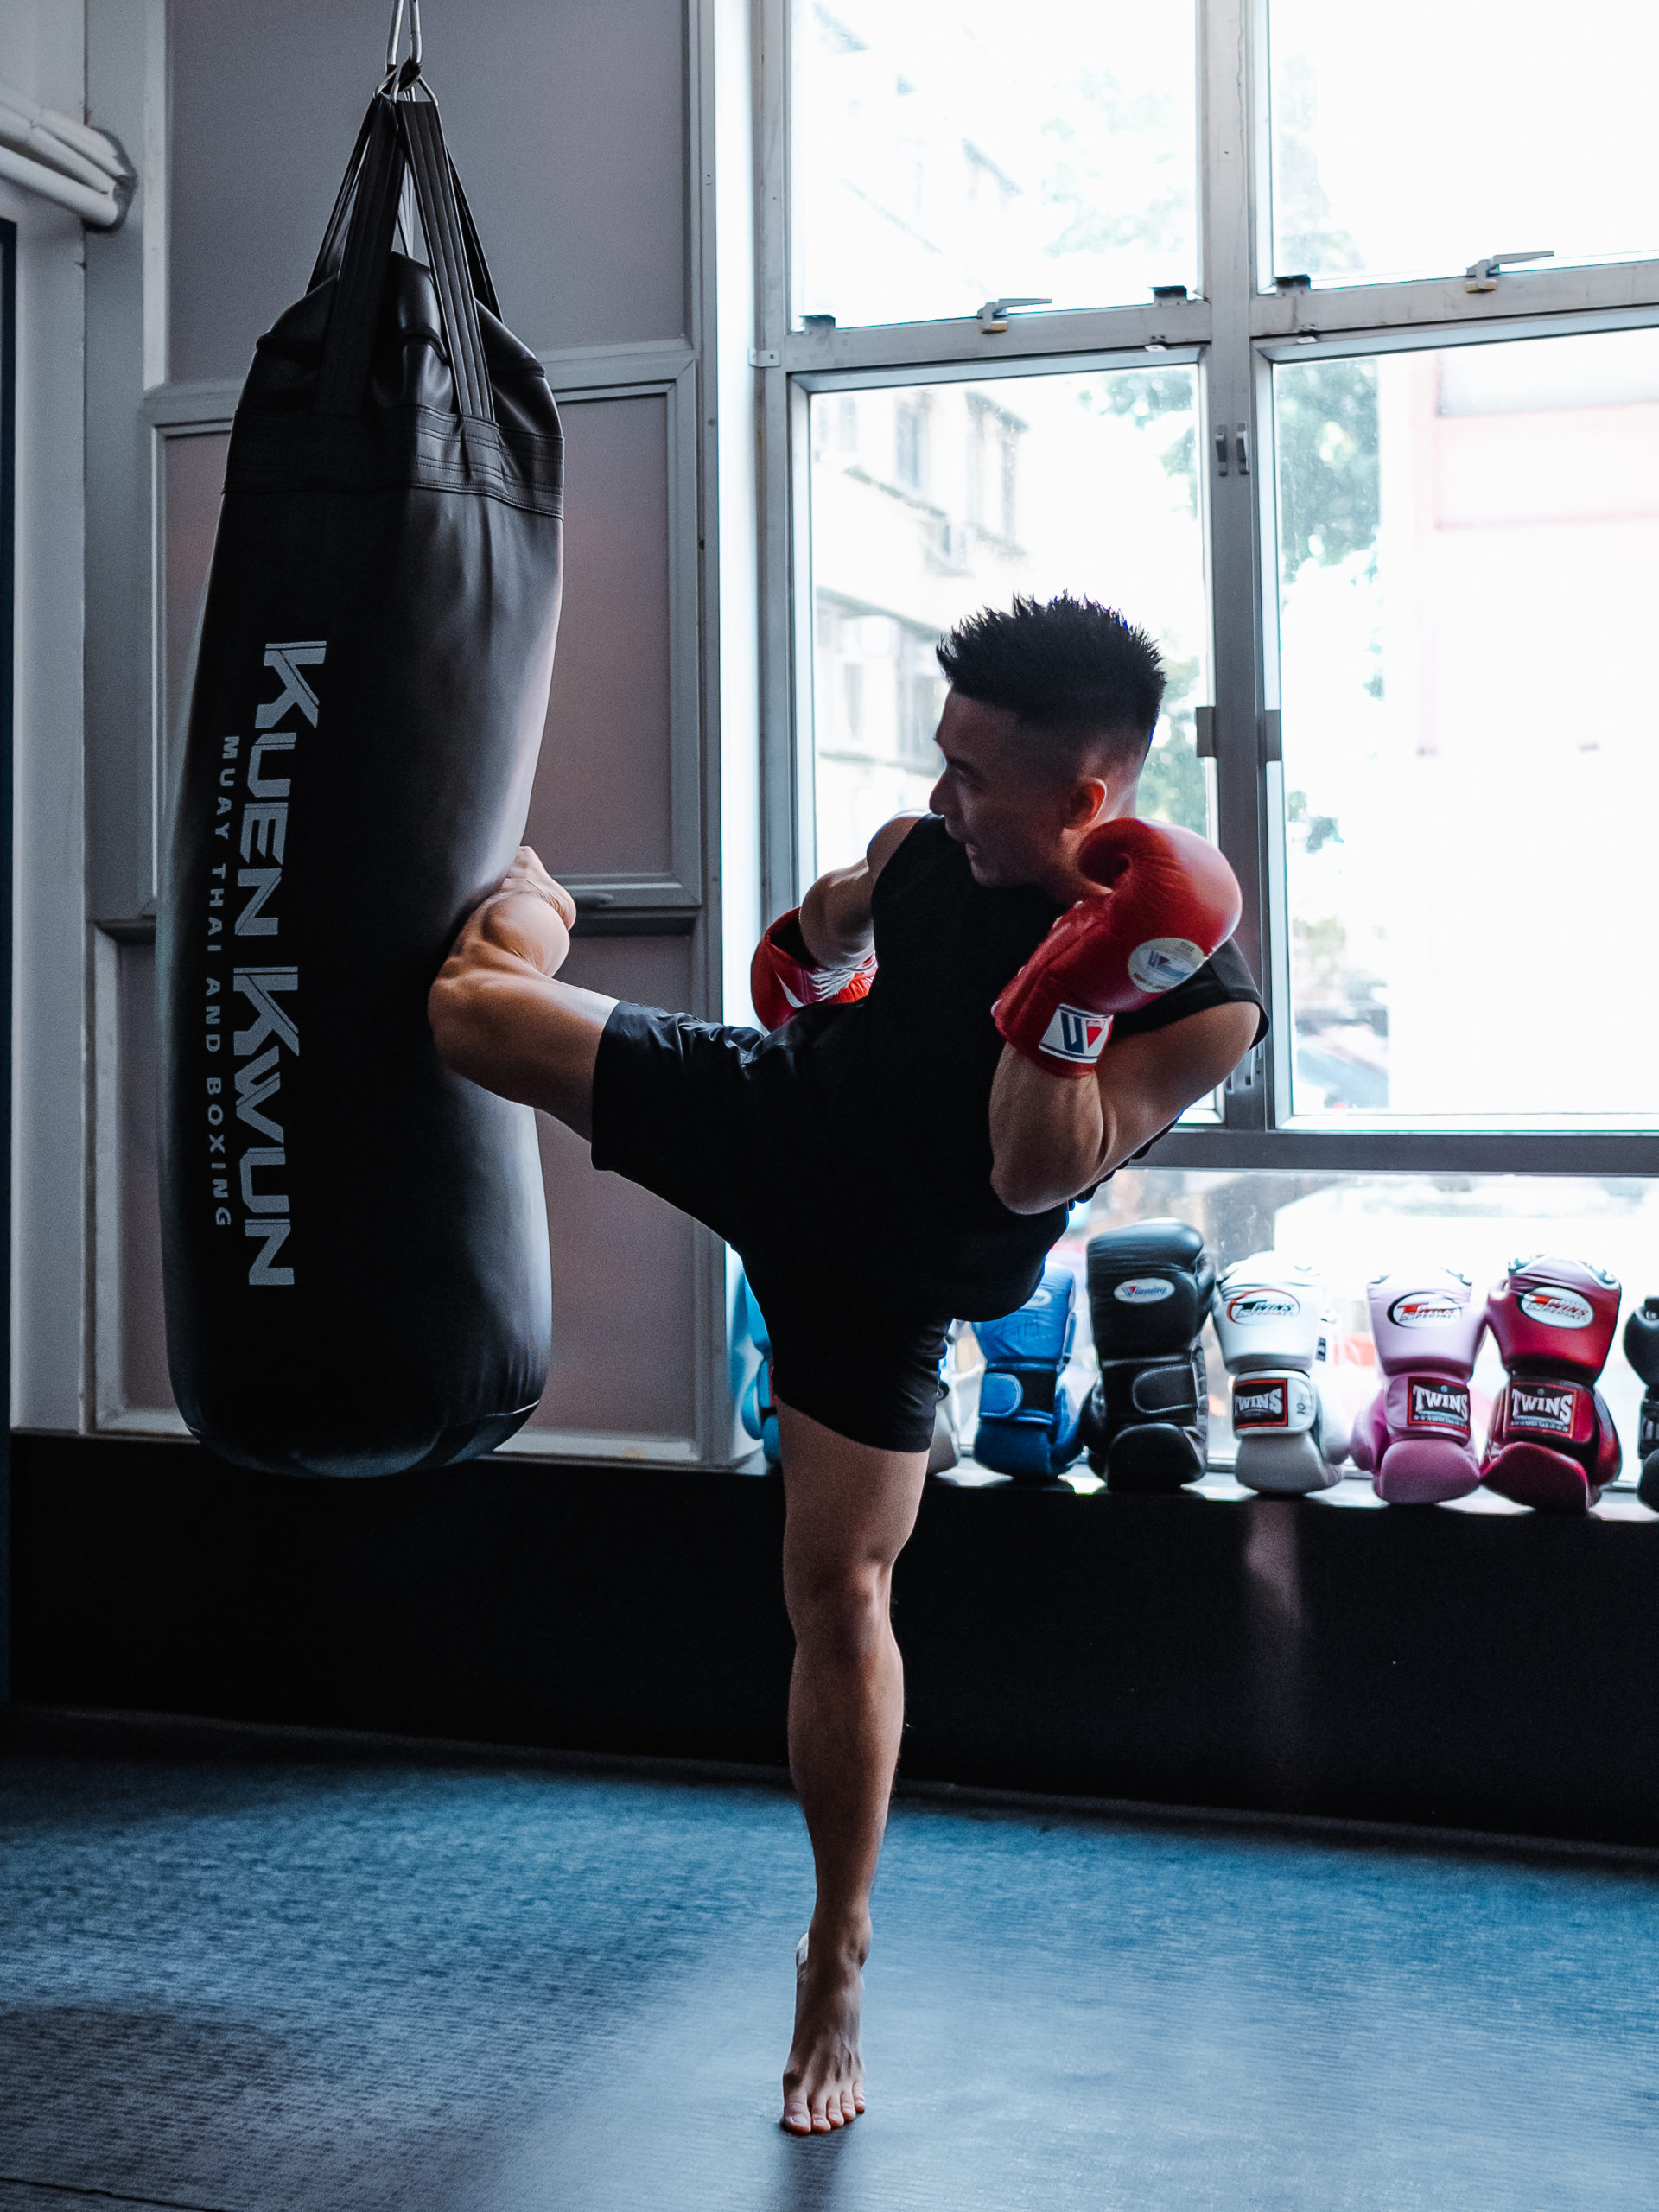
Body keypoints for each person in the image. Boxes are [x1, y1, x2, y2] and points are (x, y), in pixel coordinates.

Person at [428, 594, 1267, 2135]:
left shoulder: (1199, 1002)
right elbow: (803, 952)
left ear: (1086, 799)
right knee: (468, 1010)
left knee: (840, 1595)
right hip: (781, 1116)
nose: (944, 796)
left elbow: (1030, 1172)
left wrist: (1072, 984)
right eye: (941, 761)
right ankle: (538, 907)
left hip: (894, 1282)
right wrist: (827, 951)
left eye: (974, 775)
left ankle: (836, 1953)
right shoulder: (922, 849)